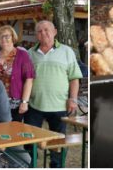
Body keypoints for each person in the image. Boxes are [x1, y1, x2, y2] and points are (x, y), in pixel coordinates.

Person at [25, 20, 82, 168]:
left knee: (58, 142)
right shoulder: (30, 54)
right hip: (34, 105)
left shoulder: (67, 51)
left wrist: (73, 99)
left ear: (55, 31)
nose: (43, 33)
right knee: (29, 140)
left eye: (46, 30)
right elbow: (26, 79)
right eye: (39, 31)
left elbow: (74, 78)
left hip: (59, 105)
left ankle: (56, 166)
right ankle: (30, 165)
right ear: (36, 35)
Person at [0, 25, 35, 122]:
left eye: (7, 36)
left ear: (13, 37)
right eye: (1, 36)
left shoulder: (22, 55)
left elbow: (29, 79)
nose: (4, 39)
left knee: (13, 131)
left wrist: (25, 102)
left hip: (14, 103)